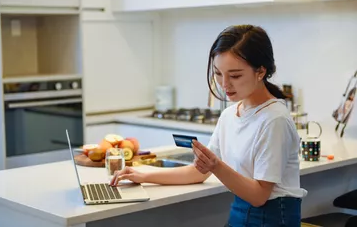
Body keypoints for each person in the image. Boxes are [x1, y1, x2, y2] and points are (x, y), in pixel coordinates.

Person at [111, 24, 307, 226]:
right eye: (218, 73)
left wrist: (216, 165)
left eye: (235, 75)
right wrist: (143, 175)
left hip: (273, 219)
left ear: (260, 71)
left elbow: (259, 196)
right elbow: (199, 172)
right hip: (240, 215)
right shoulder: (230, 115)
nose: (224, 84)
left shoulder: (274, 119)